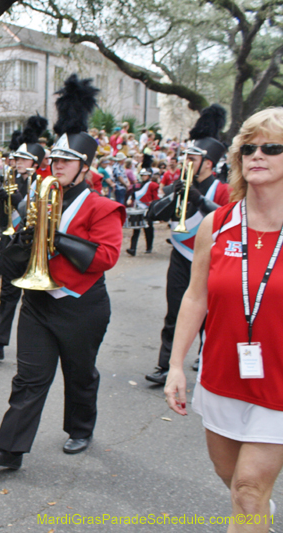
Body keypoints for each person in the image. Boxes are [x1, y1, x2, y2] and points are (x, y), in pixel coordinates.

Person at [0, 75, 124, 469]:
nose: (56, 166)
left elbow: (106, 257)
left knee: (79, 374)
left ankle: (80, 428)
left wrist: (56, 237)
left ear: (84, 167)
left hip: (82, 305)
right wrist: (24, 239)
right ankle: (9, 449)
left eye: (65, 161)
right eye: (54, 160)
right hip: (39, 301)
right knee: (29, 378)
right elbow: (12, 260)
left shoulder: (101, 207)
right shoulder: (38, 196)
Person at [164, 108, 283, 528]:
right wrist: (176, 365)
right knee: (232, 481)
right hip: (223, 375)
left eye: (272, 147)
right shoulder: (217, 224)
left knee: (248, 488)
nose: (257, 154)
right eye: (248, 147)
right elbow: (195, 297)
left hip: (279, 383)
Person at [145, 104, 231, 385]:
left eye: (192, 158)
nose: (186, 162)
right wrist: (171, 197)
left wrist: (198, 199)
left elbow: (227, 221)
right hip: (181, 256)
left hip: (214, 258)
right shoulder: (179, 184)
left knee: (211, 316)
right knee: (174, 311)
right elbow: (152, 213)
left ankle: (207, 359)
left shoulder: (224, 189)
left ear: (208, 163)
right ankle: (166, 365)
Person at [0, 114, 47, 362]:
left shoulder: (43, 183)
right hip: (11, 241)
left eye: (23, 159)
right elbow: (2, 214)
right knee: (7, 295)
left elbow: (34, 215)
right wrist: (2, 198)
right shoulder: (12, 179)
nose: (17, 162)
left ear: (35, 162)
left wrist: (16, 197)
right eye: (17, 158)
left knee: (34, 302)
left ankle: (36, 348)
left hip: (32, 246)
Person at [126, 168, 159, 255]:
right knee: (136, 229)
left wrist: (153, 205)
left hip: (147, 209)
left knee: (148, 229)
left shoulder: (152, 185)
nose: (144, 177)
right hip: (138, 208)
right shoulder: (136, 185)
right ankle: (132, 249)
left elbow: (155, 197)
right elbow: (133, 195)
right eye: (143, 175)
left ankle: (149, 247)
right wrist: (131, 200)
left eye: (146, 175)